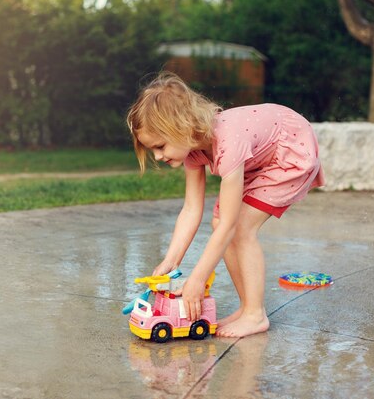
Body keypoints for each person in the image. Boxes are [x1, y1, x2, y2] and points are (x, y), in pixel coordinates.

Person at [126, 72, 324, 338]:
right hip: (261, 156)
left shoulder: (229, 142)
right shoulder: (192, 150)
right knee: (220, 221)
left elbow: (231, 225)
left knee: (239, 227)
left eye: (160, 146)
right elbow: (191, 209)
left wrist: (198, 278)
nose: (158, 156)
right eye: (153, 150)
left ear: (182, 126)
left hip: (289, 149)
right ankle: (248, 308)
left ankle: (255, 314)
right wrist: (171, 261)